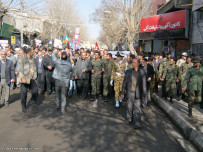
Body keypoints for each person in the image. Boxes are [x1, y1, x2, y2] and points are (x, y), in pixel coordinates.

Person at [121, 58, 146, 129]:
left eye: (134, 63)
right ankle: (129, 118)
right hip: (130, 92)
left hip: (138, 93)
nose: (133, 64)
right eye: (132, 62)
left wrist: (144, 94)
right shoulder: (128, 71)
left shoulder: (142, 72)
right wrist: (122, 92)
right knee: (129, 106)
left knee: (138, 108)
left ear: (138, 63)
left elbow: (144, 84)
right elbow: (124, 82)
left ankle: (137, 122)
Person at [18, 47, 38, 113]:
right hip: (25, 79)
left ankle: (33, 101)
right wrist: (23, 78)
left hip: (32, 79)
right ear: (29, 52)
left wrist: (35, 76)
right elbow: (20, 70)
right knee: (23, 94)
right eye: (32, 51)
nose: (33, 52)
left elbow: (34, 68)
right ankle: (23, 107)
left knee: (35, 91)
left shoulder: (32, 59)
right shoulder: (22, 59)